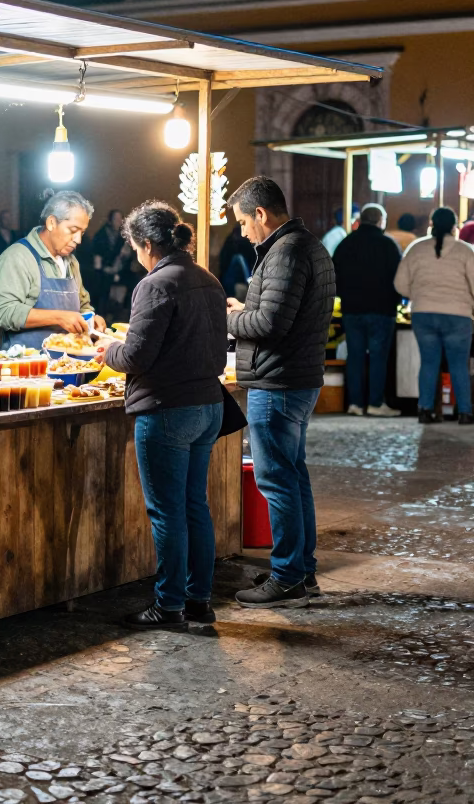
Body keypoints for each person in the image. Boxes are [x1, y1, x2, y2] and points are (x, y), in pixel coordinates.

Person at [93, 201, 227, 631]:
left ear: (148, 244)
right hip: (208, 405)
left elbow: (136, 354)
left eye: (135, 248)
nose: (136, 256)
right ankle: (198, 602)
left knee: (167, 512)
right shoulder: (207, 279)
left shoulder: (155, 285)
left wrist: (107, 350)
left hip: (168, 409)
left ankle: (168, 606)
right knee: (194, 507)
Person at [225, 176, 335, 609]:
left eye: (242, 222)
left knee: (277, 480)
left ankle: (287, 575)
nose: (242, 232)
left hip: (278, 382)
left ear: (261, 214)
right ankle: (301, 571)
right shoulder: (308, 245)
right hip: (298, 378)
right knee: (293, 476)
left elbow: (271, 324)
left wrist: (228, 318)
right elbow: (279, 313)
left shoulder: (286, 252)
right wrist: (247, 310)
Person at [0, 189, 106, 349]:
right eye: (73, 230)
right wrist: (58, 317)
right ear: (51, 223)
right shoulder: (18, 257)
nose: (78, 239)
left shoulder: (71, 262)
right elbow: (3, 312)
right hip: (28, 365)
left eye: (82, 232)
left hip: (68, 364)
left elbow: (83, 305)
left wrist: (92, 318)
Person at [393, 207, 474, 425]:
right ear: (455, 227)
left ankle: (425, 410)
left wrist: (418, 296)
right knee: (458, 364)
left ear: (431, 224)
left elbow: (400, 284)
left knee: (429, 363)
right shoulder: (466, 251)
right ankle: (465, 412)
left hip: (423, 313)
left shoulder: (416, 249)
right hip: (458, 315)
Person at [332, 203, 402, 417]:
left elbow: (334, 277)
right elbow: (398, 278)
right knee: (379, 357)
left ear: (361, 220)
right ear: (381, 221)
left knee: (355, 356)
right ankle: (375, 402)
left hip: (352, 310)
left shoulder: (345, 244)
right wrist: (396, 300)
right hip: (382, 310)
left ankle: (355, 404)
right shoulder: (388, 245)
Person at [90, 209, 132, 316]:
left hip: (119, 270)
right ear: (110, 221)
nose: (118, 221)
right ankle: (101, 315)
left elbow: (126, 257)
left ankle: (124, 314)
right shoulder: (101, 235)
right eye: (116, 219)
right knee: (102, 287)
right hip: (104, 270)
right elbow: (97, 258)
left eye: (120, 219)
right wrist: (104, 269)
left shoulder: (122, 236)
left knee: (134, 281)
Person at [218, 226, 255, 298]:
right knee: (238, 258)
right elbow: (224, 258)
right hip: (231, 273)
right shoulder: (230, 241)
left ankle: (249, 282)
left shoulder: (246, 241)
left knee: (239, 258)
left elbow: (252, 256)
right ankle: (249, 281)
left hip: (242, 273)